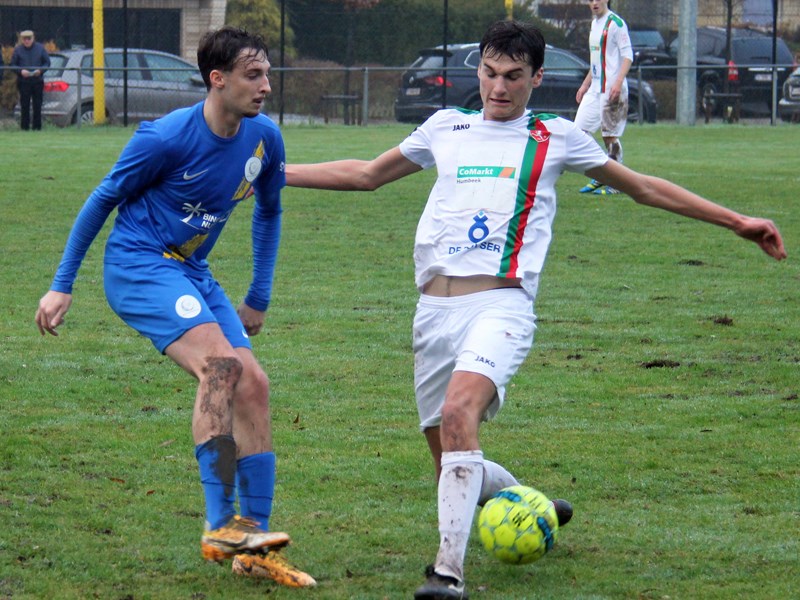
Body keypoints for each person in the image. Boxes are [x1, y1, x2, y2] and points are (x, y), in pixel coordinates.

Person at [284, 19, 786, 600]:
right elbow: (367, 174)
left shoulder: (557, 136)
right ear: (479, 71)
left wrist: (737, 221)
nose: (499, 88)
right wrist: (277, 174)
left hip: (502, 304)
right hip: (432, 312)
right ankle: (533, 504)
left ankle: (447, 573)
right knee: (449, 452)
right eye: (491, 74)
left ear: (537, 78)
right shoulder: (445, 127)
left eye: (514, 77)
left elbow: (643, 187)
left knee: (457, 417)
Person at [34, 26, 315, 588]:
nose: (266, 86)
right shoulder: (163, 137)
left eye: (266, 74)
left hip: (192, 271)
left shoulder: (264, 138)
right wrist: (62, 283)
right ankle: (219, 524)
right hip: (139, 265)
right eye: (252, 75)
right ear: (218, 79)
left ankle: (251, 543)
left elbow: (270, 210)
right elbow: (101, 200)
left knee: (253, 383)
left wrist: (259, 293)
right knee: (222, 368)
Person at [574, 0, 632, 195]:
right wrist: (585, 84)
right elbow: (596, 61)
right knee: (579, 131)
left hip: (612, 88)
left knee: (609, 136)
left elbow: (628, 56)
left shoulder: (616, 23)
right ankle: (602, 175)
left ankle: (617, 182)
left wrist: (617, 82)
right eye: (590, 0)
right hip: (595, 89)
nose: (594, 3)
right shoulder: (594, 24)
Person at [10, 30, 50, 130]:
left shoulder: (40, 48)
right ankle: (25, 128)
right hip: (24, 82)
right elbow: (13, 65)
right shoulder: (18, 50)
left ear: (33, 38)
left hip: (37, 81)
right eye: (25, 39)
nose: (27, 41)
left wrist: (40, 70)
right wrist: (21, 71)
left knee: (37, 105)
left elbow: (47, 63)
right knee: (24, 105)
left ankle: (37, 127)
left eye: (29, 39)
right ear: (22, 40)